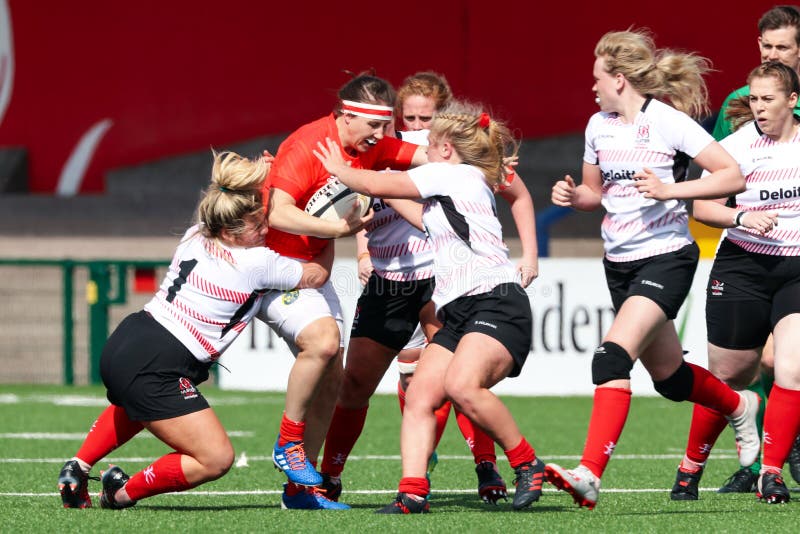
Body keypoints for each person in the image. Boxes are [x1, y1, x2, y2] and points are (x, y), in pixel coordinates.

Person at [545, 29, 759, 510]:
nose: (592, 86)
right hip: (618, 262)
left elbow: (732, 175)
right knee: (670, 379)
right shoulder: (597, 125)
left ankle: (589, 475)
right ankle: (739, 404)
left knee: (610, 358)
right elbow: (595, 193)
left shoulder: (668, 122)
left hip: (667, 256)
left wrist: (670, 191)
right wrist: (575, 196)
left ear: (619, 79)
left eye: (598, 77)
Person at [56, 150, 329, 510]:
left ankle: (77, 468)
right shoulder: (257, 262)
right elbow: (316, 275)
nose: (266, 230)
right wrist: (330, 231)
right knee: (216, 458)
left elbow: (229, 200)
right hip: (161, 360)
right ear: (229, 230)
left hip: (130, 337)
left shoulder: (197, 232)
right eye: (257, 226)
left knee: (140, 402)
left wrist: (261, 181)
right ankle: (119, 493)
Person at [314, 100, 544, 513]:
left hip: (495, 303)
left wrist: (339, 168)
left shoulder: (452, 174)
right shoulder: (456, 187)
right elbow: (412, 210)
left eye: (430, 145)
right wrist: (374, 184)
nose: (423, 151)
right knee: (420, 395)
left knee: (462, 386)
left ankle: (527, 464)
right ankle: (413, 492)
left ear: (446, 149)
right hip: (461, 311)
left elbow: (376, 183)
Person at [257, 73, 428, 510]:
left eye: (386, 126)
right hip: (271, 268)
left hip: (310, 271)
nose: (381, 134)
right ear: (345, 115)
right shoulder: (308, 145)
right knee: (324, 342)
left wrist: (484, 154)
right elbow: (278, 214)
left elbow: (431, 155)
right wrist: (337, 230)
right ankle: (289, 443)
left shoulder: (375, 146)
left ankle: (300, 489)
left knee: (332, 376)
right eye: (373, 125)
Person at [669, 62, 800, 504]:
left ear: (792, 100)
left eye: (768, 99)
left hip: (796, 269)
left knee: (792, 368)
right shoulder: (735, 147)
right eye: (754, 99)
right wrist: (742, 216)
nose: (759, 108)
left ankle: (770, 473)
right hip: (743, 266)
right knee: (729, 377)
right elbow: (703, 209)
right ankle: (690, 467)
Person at [707, 5, 800, 493]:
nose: (772, 54)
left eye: (782, 46)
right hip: (749, 252)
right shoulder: (739, 105)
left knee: (785, 361)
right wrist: (737, 216)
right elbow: (719, 173)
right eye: (766, 46)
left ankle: (773, 460)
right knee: (750, 365)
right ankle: (767, 454)